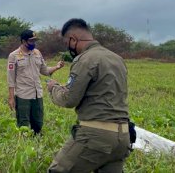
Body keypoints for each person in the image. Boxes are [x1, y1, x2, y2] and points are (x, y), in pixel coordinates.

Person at [47, 18, 130, 172]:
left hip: (95, 135)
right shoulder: (117, 59)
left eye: (67, 44)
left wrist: (54, 89)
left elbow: (69, 99)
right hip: (123, 137)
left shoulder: (85, 59)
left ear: (73, 40)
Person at [7, 29, 64, 134]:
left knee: (38, 123)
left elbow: (45, 70)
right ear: (24, 41)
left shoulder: (37, 53)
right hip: (23, 95)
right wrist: (11, 98)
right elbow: (10, 79)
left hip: (38, 94)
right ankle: (24, 145)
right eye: (31, 41)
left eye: (35, 41)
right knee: (23, 124)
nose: (34, 43)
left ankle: (36, 142)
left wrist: (57, 67)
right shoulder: (13, 56)